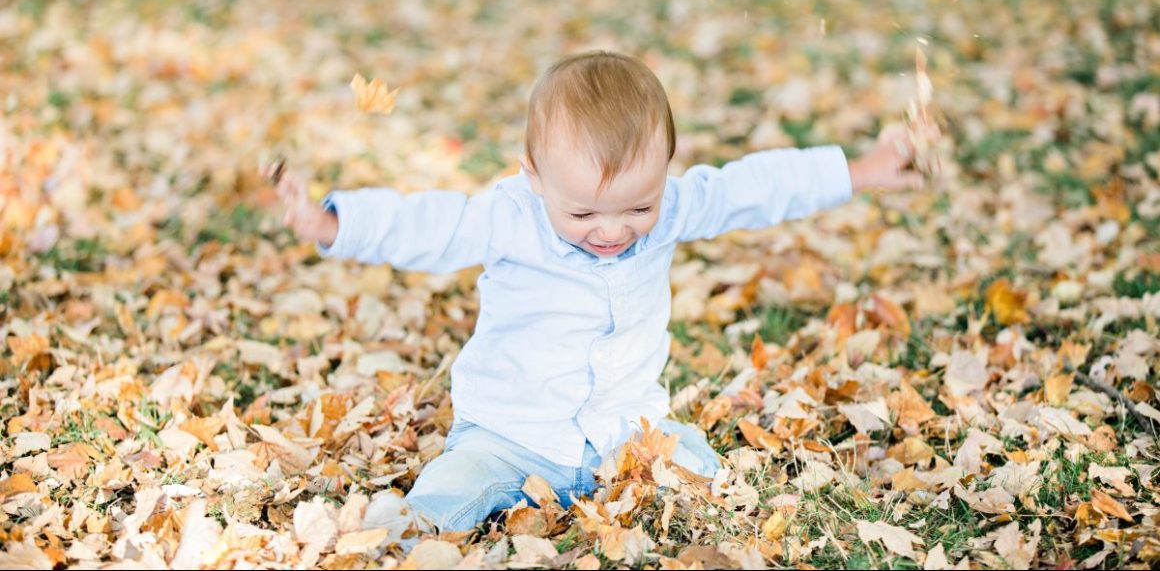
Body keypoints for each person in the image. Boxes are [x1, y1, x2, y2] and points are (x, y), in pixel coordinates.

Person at [266, 51, 933, 532]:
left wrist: (863, 170)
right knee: (447, 495)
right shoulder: (510, 216)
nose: (612, 230)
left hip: (622, 430)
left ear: (664, 172)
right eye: (583, 213)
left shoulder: (672, 208)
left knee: (703, 472)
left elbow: (754, 189)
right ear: (534, 175)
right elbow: (425, 225)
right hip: (510, 433)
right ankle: (395, 540)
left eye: (638, 207)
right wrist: (332, 224)